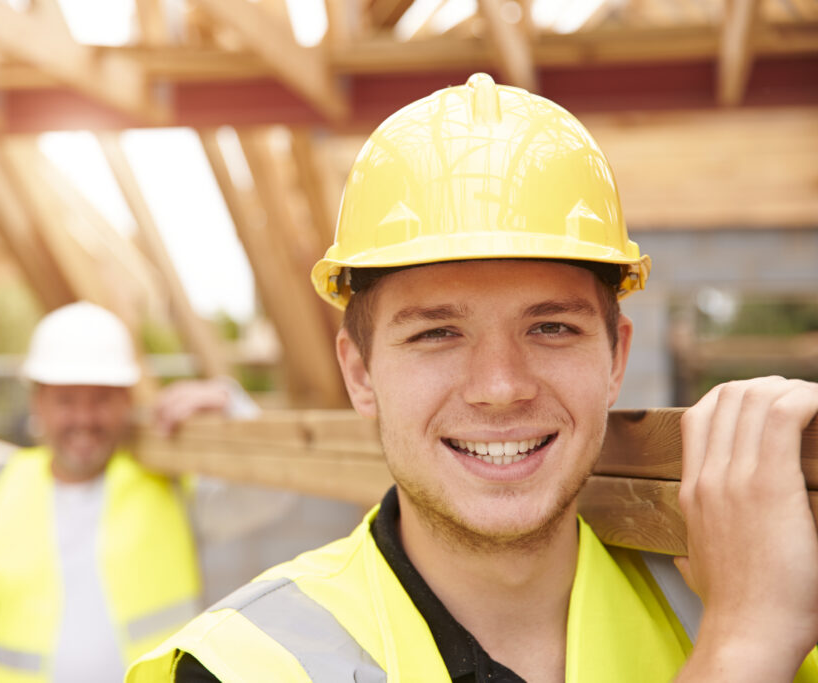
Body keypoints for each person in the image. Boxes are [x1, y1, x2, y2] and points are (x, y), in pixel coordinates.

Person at [128, 74, 818, 681]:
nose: (500, 386)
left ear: (615, 359)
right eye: (437, 333)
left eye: (550, 327)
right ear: (360, 373)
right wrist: (746, 646)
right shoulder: (251, 666)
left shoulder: (758, 600)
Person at [0, 301, 254, 682]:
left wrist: (234, 407)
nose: (84, 419)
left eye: (101, 398)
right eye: (66, 400)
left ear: (126, 401)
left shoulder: (168, 481)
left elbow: (266, 497)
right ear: (38, 402)